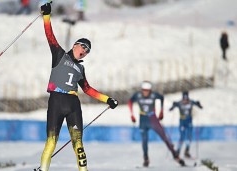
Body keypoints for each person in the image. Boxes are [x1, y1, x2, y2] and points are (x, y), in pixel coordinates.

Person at [38, 2, 118, 171]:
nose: (84, 51)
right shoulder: (59, 55)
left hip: (73, 105)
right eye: (83, 47)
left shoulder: (81, 68)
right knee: (51, 141)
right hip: (57, 101)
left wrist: (108, 99)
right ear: (75, 45)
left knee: (78, 144)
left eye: (87, 51)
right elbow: (50, 36)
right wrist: (46, 16)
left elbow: (87, 89)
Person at [128, 81, 185, 167]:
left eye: (147, 90)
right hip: (143, 119)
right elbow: (130, 101)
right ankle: (146, 158)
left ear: (150, 90)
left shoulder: (154, 95)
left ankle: (175, 155)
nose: (145, 92)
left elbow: (161, 98)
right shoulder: (138, 95)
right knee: (144, 140)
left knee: (164, 136)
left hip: (152, 119)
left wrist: (161, 112)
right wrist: (132, 114)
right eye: (144, 90)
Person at [169, 91, 203, 158]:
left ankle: (187, 151)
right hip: (182, 121)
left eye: (186, 99)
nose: (185, 101)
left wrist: (198, 104)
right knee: (182, 136)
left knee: (189, 136)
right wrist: (173, 105)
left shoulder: (191, 102)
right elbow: (171, 109)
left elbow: (200, 107)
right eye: (184, 99)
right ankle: (178, 151)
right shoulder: (179, 103)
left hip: (189, 121)